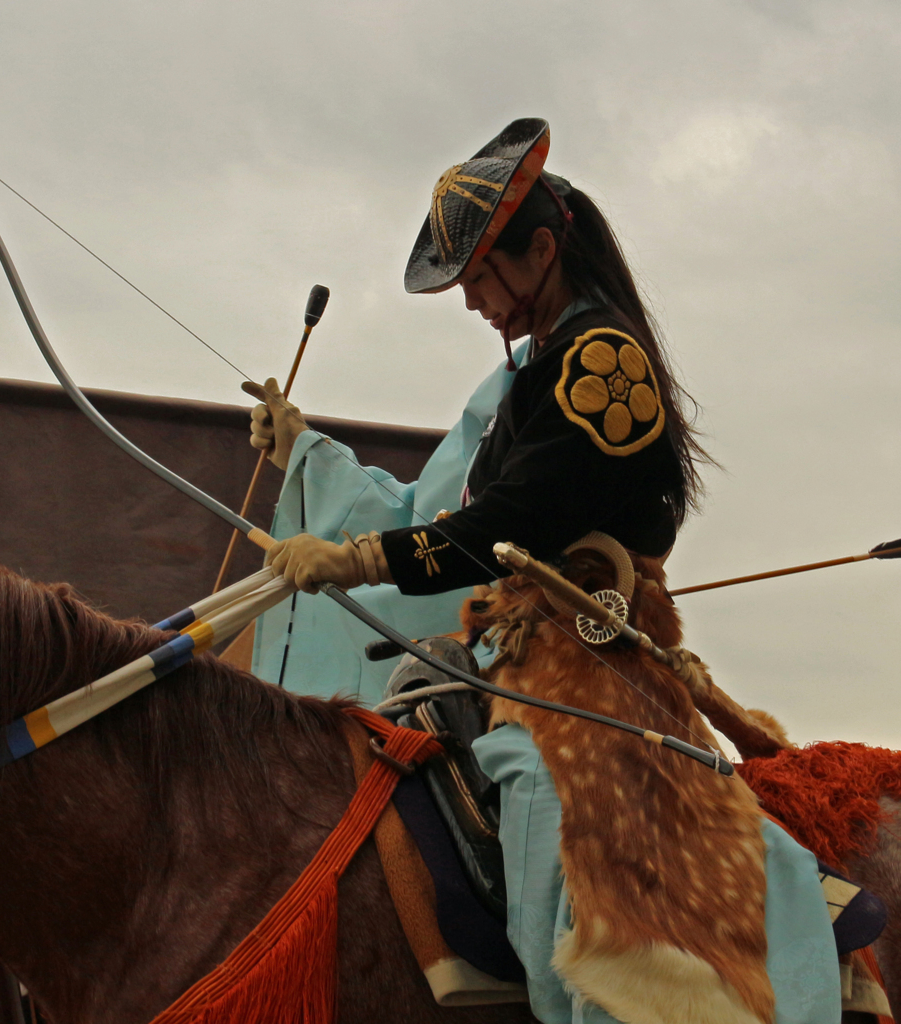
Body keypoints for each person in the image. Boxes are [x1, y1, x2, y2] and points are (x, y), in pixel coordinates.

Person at [246, 119, 841, 1023]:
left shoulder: (599, 358)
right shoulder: (537, 368)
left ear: (541, 249)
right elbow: (445, 512)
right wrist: (305, 451)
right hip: (515, 647)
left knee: (543, 808)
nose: (472, 300)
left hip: (590, 665)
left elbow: (505, 525)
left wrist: (359, 556)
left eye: (482, 275)